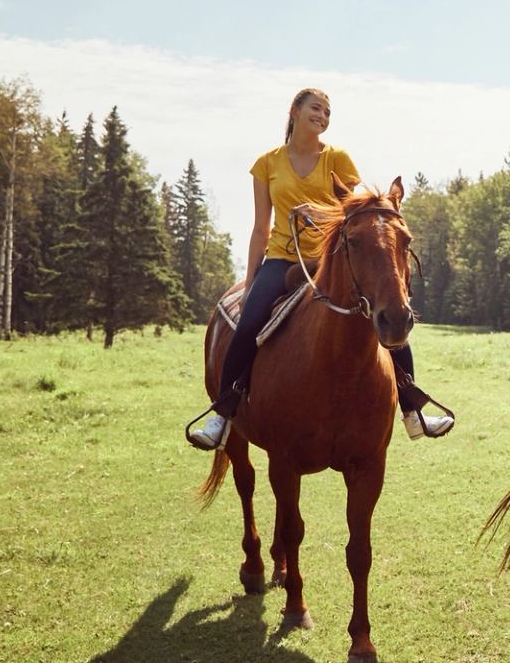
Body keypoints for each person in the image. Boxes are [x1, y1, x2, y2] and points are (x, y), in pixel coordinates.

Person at [186, 86, 454, 452]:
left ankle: (411, 409)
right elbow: (260, 229)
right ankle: (223, 413)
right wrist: (251, 281)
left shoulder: (337, 159)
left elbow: (356, 208)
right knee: (248, 323)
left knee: (387, 319)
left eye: (328, 112)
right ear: (294, 111)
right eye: (316, 108)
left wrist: (319, 212)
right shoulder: (267, 164)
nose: (323, 117)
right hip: (282, 260)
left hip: (330, 261)